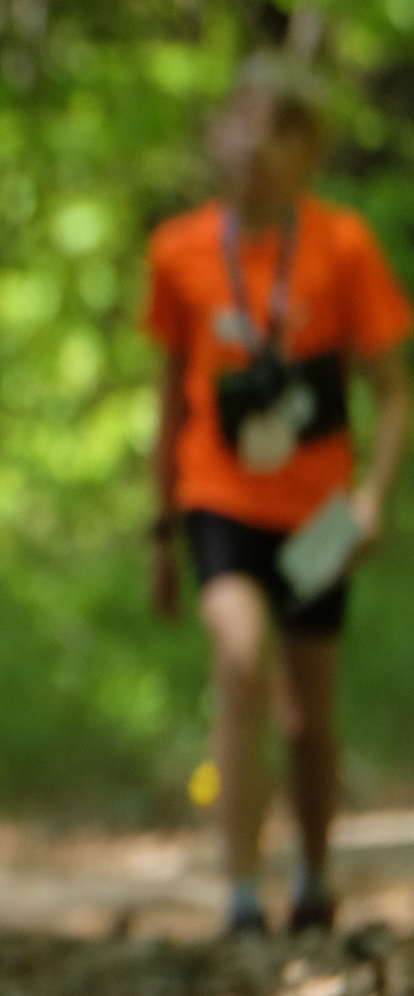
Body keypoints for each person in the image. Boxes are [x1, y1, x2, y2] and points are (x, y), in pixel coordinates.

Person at [144, 56, 410, 937]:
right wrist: (158, 528)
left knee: (308, 710)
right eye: (244, 125)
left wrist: (373, 497)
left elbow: (392, 386)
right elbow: (173, 389)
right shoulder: (179, 249)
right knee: (241, 662)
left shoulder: (344, 246)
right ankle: (241, 889)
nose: (256, 147)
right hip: (218, 495)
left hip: (322, 508)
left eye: (279, 132)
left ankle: (317, 874)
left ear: (308, 148)